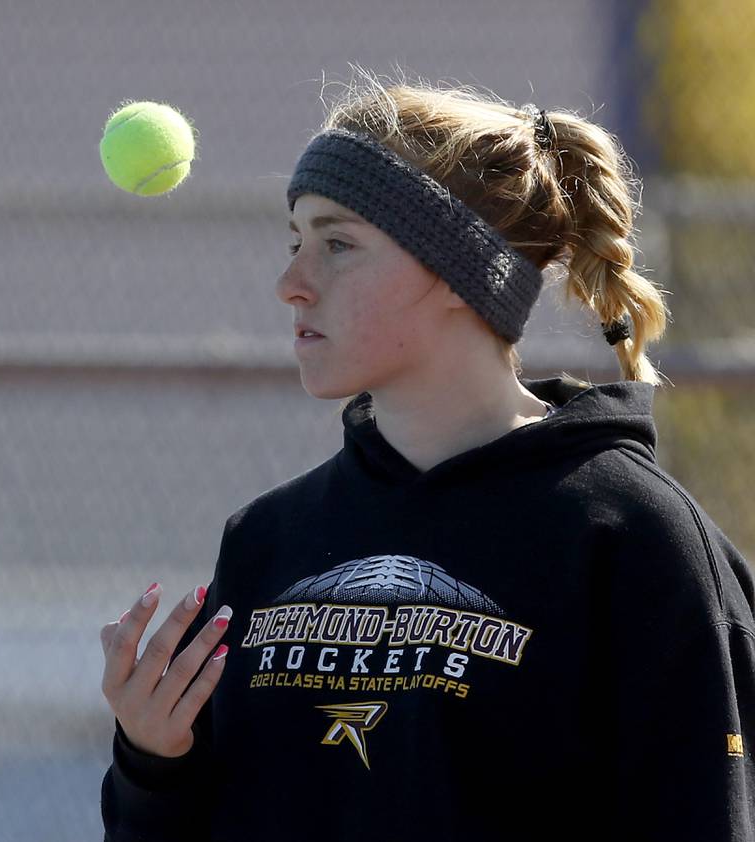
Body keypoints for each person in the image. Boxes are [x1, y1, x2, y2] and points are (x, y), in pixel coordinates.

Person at [99, 65, 755, 841]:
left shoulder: (633, 540)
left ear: (459, 271)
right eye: (295, 241)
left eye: (337, 244)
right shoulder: (267, 540)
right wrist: (154, 762)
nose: (291, 283)